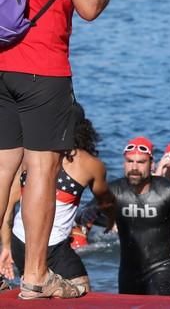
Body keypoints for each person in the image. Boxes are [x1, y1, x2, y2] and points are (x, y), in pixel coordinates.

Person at [0, 0, 136, 299]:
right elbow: (90, 7)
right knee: (42, 170)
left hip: (2, 63)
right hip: (44, 70)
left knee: (2, 168)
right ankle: (35, 277)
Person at [0, 103, 113, 296]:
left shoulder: (30, 156)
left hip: (21, 241)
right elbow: (106, 201)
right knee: (83, 295)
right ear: (83, 127)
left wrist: (7, 246)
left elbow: (9, 205)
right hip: (53, 247)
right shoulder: (90, 164)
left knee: (37, 295)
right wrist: (112, 219)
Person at [96, 137, 170, 296]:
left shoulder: (169, 190)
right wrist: (109, 220)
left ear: (151, 164)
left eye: (140, 162)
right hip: (128, 271)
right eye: (130, 161)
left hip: (163, 268)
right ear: (123, 163)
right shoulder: (115, 190)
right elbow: (87, 215)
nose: (134, 167)